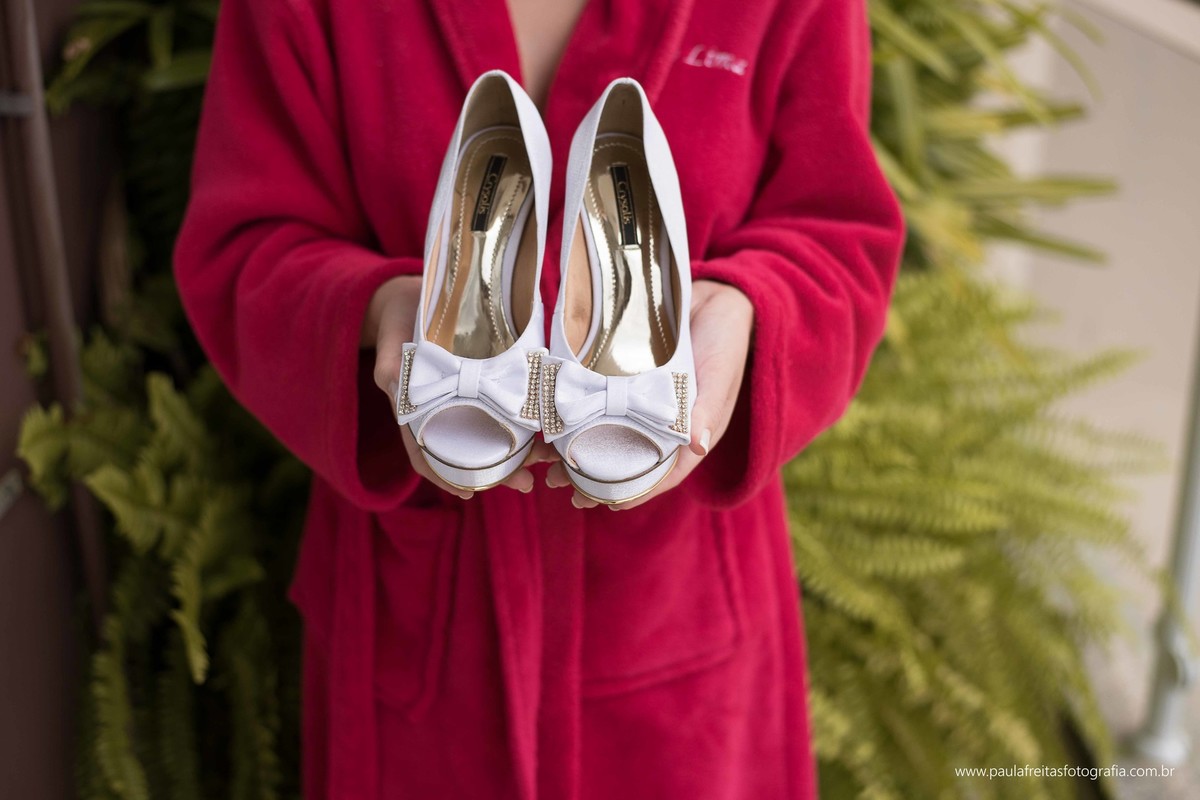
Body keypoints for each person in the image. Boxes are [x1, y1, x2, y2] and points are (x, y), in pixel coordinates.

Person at [173, 0, 906, 796]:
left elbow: (840, 236)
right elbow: (244, 246)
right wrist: (385, 308)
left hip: (681, 617)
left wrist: (749, 309)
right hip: (425, 632)